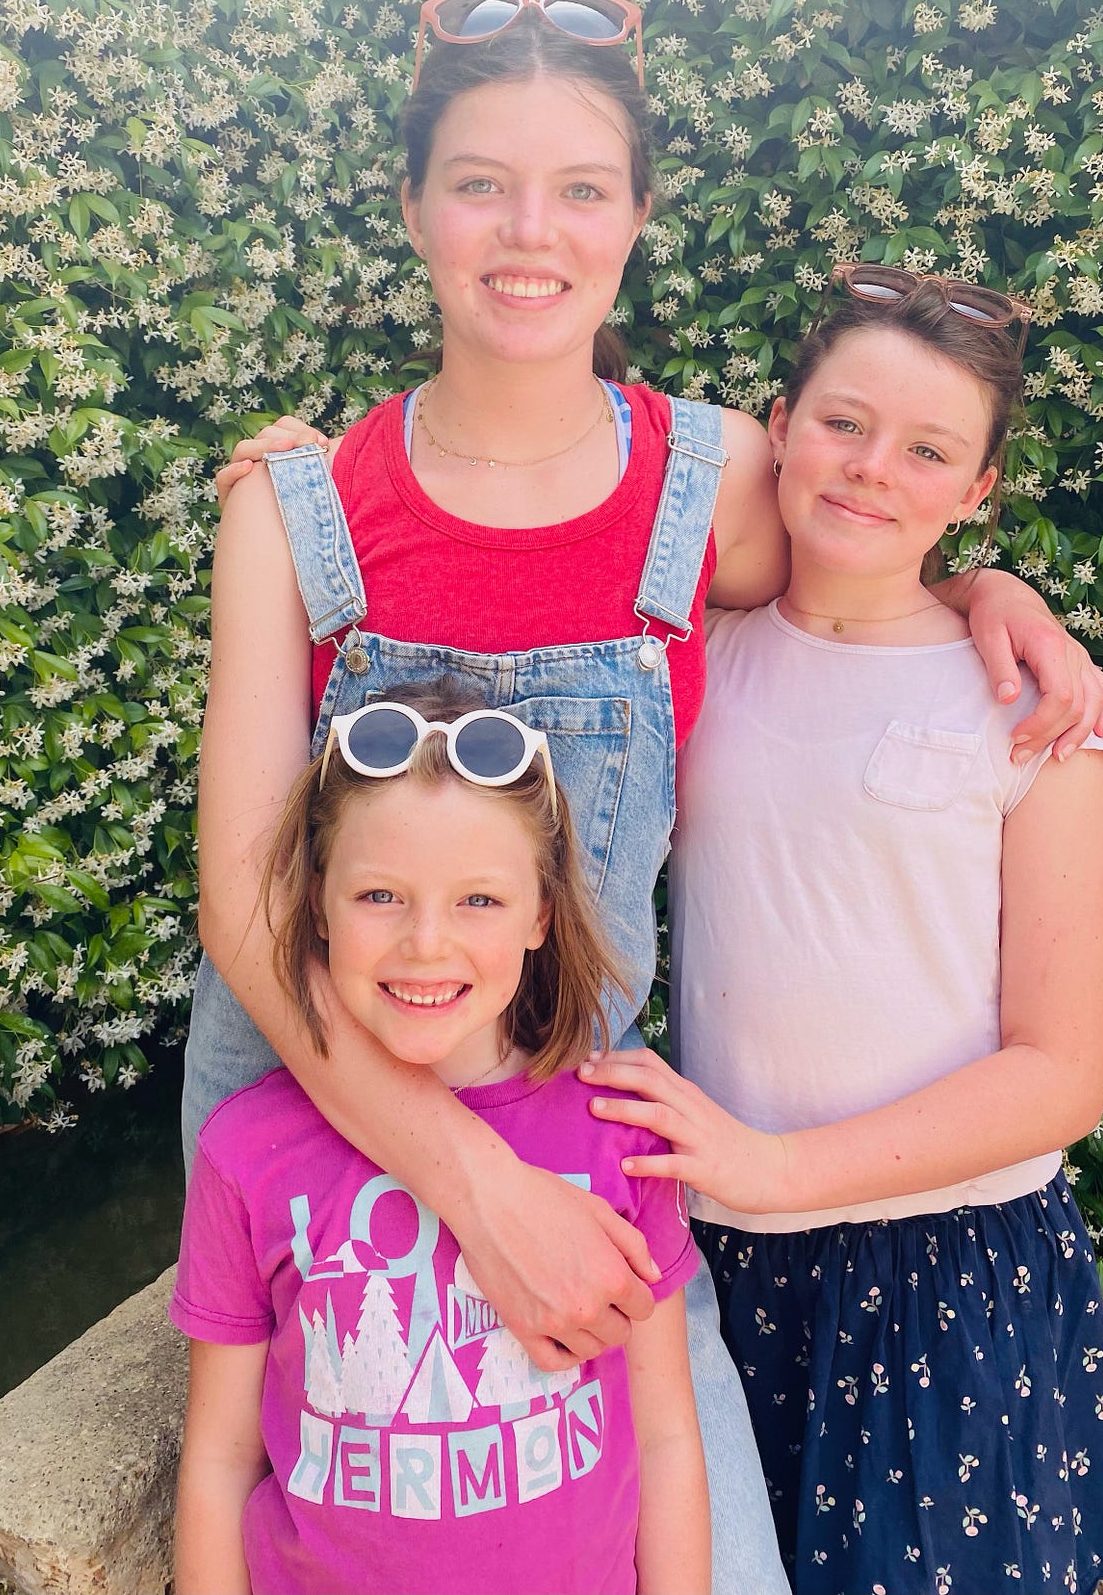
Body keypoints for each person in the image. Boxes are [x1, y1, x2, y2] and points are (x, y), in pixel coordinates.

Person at [196, 0, 1103, 1595]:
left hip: (586, 1135)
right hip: (322, 1102)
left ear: (635, 217)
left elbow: (865, 564)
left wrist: (993, 595)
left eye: (580, 188)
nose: (528, 231)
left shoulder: (716, 482)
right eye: (479, 183)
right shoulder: (293, 511)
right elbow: (248, 913)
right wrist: (475, 1188)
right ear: (411, 206)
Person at [580, 266, 1103, 1595]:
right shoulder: (688, 656)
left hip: (942, 1272)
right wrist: (322, 482)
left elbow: (1061, 1073)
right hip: (719, 1254)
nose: (874, 468)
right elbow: (518, 519)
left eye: (928, 450)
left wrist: (779, 1168)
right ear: (780, 427)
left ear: (977, 489)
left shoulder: (1033, 713)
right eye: (842, 422)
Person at [172, 679, 710, 1595]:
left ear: (542, 914)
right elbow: (223, 1460)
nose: (426, 942)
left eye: (479, 900)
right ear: (317, 904)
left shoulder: (619, 1134)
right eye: (380, 893)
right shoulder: (244, 1153)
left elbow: (662, 1436)